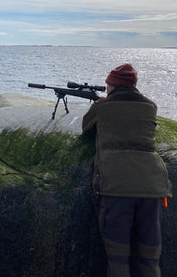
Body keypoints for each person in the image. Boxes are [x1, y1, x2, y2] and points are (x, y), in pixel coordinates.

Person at [82, 63, 172, 277]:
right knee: (150, 259)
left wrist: (98, 105)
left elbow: (85, 127)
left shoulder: (102, 107)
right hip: (152, 189)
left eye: (108, 86)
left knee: (118, 258)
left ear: (113, 86)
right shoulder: (150, 106)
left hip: (117, 189)